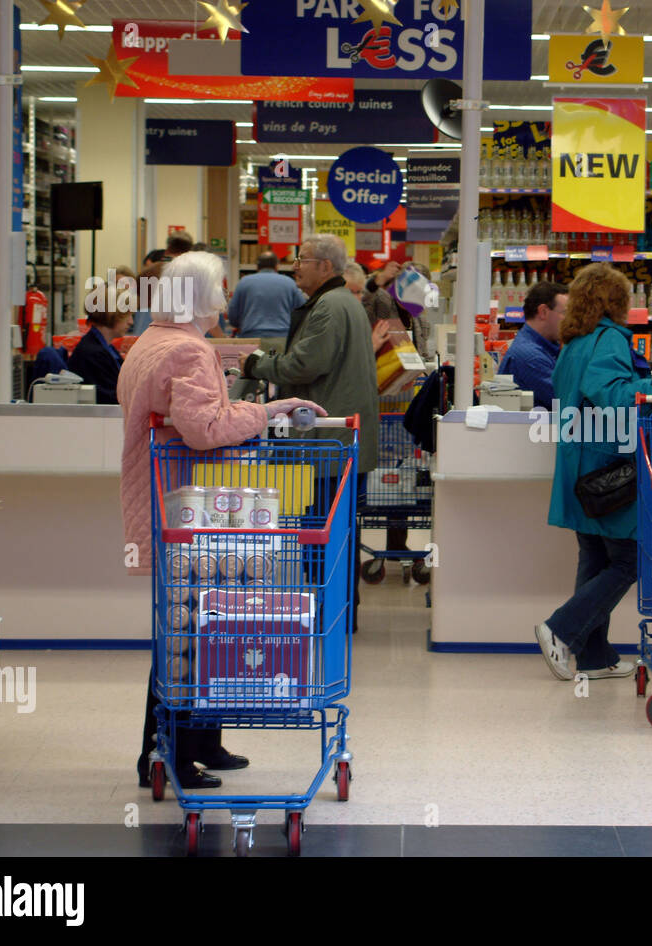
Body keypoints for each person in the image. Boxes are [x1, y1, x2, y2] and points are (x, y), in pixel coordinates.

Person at [119, 251, 324, 791]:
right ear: (202, 293)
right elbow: (204, 428)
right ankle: (172, 756)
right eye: (221, 287)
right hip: (193, 508)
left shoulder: (151, 341)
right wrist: (269, 411)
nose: (227, 297)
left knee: (189, 630)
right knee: (193, 633)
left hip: (171, 500)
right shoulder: (187, 349)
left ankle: (197, 744)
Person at [536, 263, 652, 681]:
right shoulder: (609, 340)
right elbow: (609, 392)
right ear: (616, 302)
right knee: (629, 561)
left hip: (579, 462)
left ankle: (593, 656)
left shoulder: (575, 342)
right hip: (607, 467)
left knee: (596, 557)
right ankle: (560, 629)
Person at [242, 234, 381, 631]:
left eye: (302, 260)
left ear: (325, 266)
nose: (295, 266)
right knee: (336, 531)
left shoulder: (329, 308)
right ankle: (337, 610)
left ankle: (328, 612)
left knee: (321, 532)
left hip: (327, 445)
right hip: (338, 442)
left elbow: (304, 366)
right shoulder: (341, 303)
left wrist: (258, 364)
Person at [499, 280, 566, 410]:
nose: (571, 319)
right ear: (543, 312)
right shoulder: (530, 357)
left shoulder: (544, 348)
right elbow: (568, 400)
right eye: (565, 313)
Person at [221, 251, 305, 339]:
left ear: (257, 267)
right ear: (277, 266)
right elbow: (302, 312)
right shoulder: (289, 283)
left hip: (251, 335)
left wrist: (241, 325)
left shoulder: (244, 282)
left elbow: (233, 314)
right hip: (282, 337)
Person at [67, 300, 131, 404]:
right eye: (126, 315)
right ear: (110, 315)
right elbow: (112, 399)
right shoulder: (92, 354)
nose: (131, 322)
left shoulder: (105, 348)